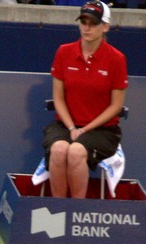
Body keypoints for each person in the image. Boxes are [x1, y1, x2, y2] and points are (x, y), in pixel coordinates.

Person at [42, 1, 127, 198]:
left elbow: (116, 106)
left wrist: (84, 130)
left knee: (76, 152)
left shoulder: (116, 59)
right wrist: (72, 128)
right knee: (59, 149)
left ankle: (76, 210)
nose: (86, 28)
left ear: (105, 26)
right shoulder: (64, 52)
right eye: (83, 22)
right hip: (66, 125)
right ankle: (59, 209)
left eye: (93, 23)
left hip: (102, 130)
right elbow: (58, 97)